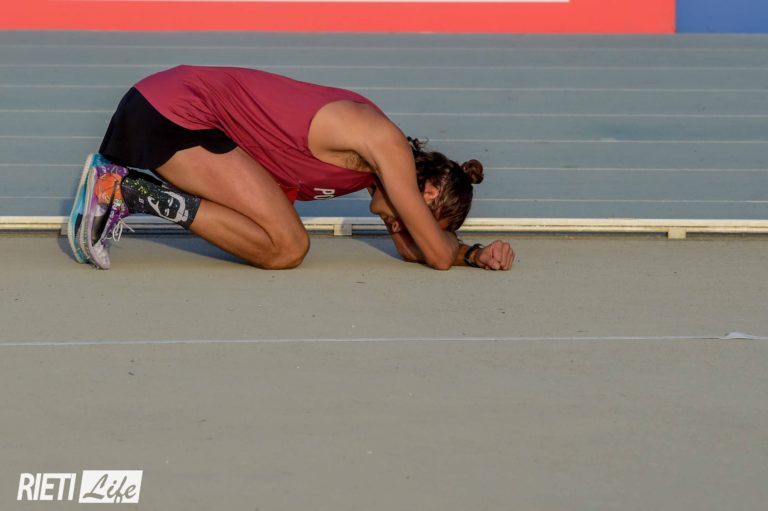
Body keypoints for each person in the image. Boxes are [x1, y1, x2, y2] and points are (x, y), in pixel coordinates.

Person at [68, 65, 514, 271]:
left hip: (170, 117)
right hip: (174, 112)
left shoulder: (364, 173)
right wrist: (456, 251)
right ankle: (124, 190)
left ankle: (128, 191)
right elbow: (435, 255)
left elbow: (419, 250)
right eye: (419, 220)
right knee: (289, 246)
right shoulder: (384, 141)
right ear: (428, 193)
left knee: (278, 245)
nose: (405, 229)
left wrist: (470, 253)